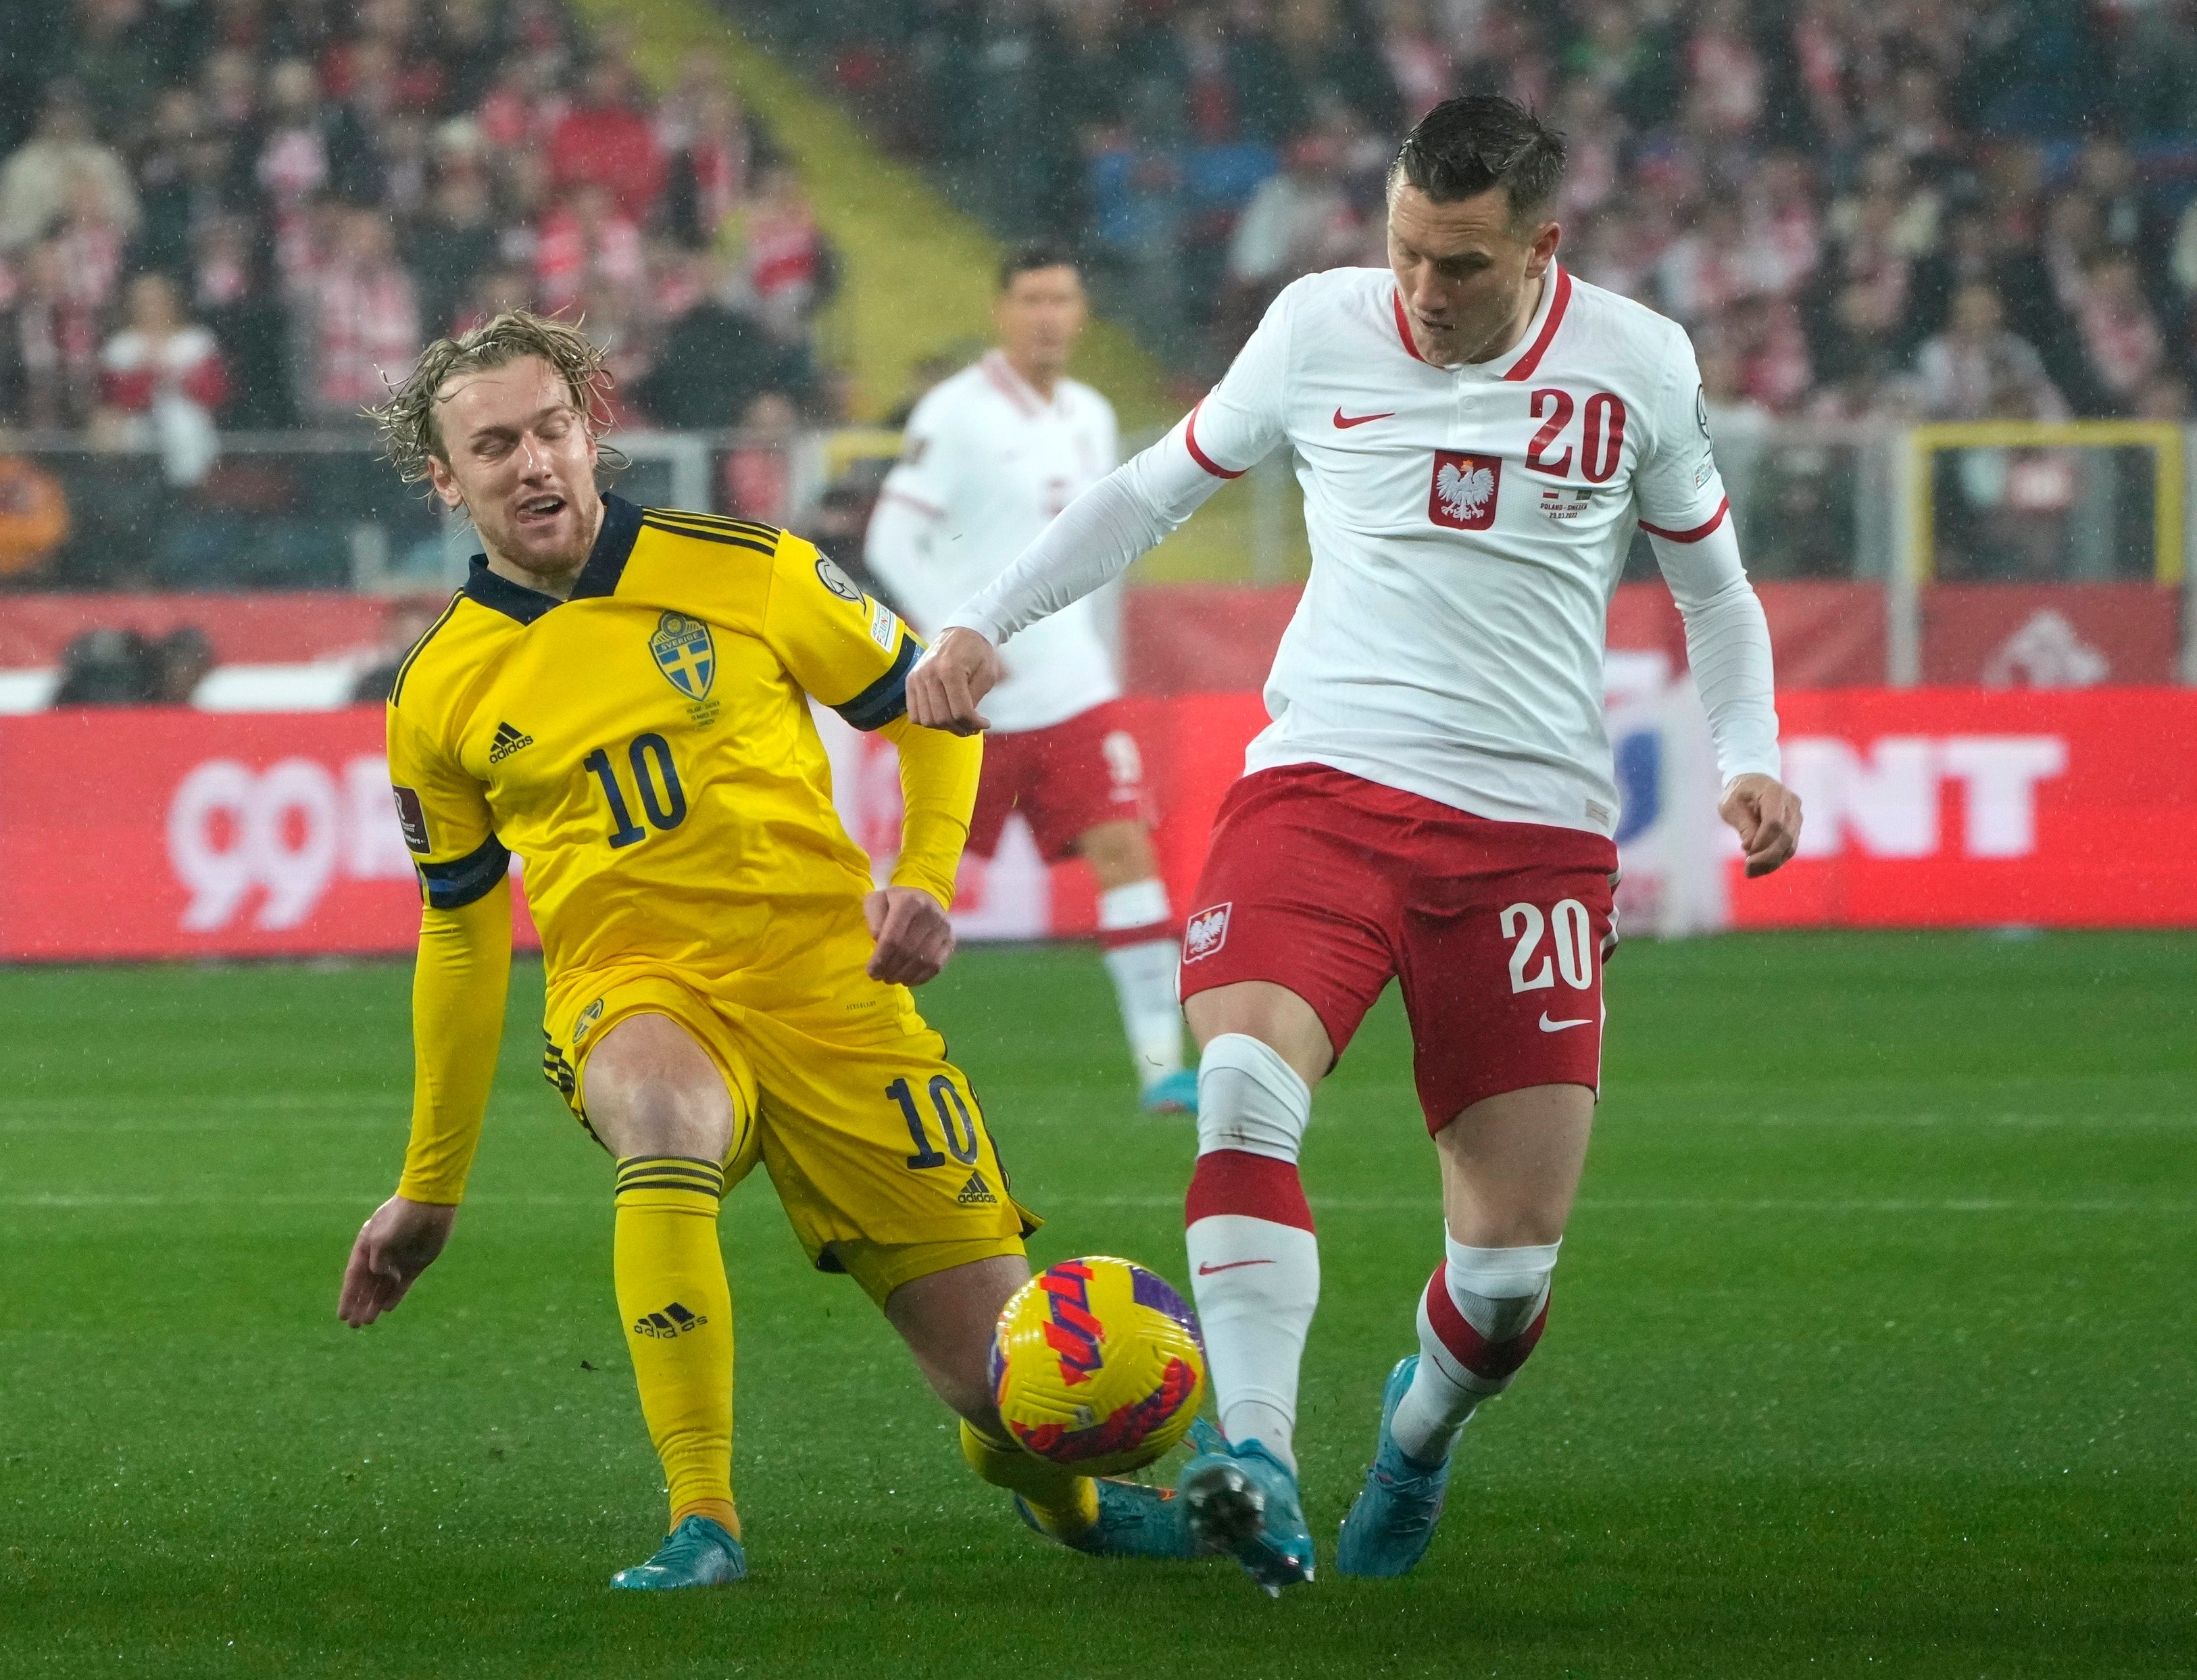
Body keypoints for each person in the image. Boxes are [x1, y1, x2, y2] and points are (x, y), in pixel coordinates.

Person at [911, 96, 1804, 1591]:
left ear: (1540, 245)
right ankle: (1250, 1457)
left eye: (1458, 265)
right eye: (1403, 251)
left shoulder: (1639, 363)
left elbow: (1710, 589)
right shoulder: (1317, 327)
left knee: (1506, 1270)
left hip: (1527, 841)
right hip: (1318, 788)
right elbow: (1148, 489)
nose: (1422, 292)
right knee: (1243, 1089)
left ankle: (1416, 1435)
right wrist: (982, 618)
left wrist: (1751, 757)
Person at [337, 311, 1191, 1592]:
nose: (534, 464)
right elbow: (459, 941)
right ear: (442, 478)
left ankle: (1067, 1500)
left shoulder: (747, 567)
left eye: (553, 429)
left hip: (837, 998)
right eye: (494, 445)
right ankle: (705, 1516)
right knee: (664, 1106)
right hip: (637, 992)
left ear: (591, 430)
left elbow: (933, 710)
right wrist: (430, 1181)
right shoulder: (438, 694)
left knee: (1008, 1392)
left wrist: (920, 879)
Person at [866, 245, 1195, 1114]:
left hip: (1073, 687)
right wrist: (957, 630)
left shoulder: (1088, 412)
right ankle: (847, 1057)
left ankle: (1163, 1066)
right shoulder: (957, 411)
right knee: (913, 885)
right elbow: (891, 540)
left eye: (1062, 298)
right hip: (968, 696)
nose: (1048, 315)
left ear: (1081, 312)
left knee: (1125, 850)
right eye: (1031, 299)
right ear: (1001, 311)